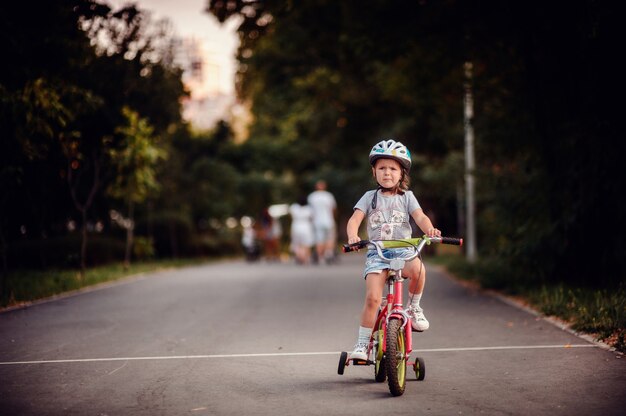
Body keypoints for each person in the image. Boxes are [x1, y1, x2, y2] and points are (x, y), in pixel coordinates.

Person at [346, 139, 442, 360]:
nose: (386, 173)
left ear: (402, 174)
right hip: (377, 254)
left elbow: (420, 216)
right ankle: (362, 345)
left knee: (418, 269)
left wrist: (430, 230)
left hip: (404, 251)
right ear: (374, 172)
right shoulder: (369, 197)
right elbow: (355, 219)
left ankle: (413, 308)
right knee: (372, 299)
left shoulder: (407, 197)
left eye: (392, 168)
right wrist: (353, 235)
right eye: (381, 168)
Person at [307, 180, 337, 264]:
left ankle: (321, 258)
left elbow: (310, 211)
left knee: (319, 240)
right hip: (328, 220)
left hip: (317, 221)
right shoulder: (328, 196)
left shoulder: (312, 197)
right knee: (330, 238)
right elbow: (333, 209)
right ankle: (328, 253)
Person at [289, 196, 315, 264]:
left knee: (297, 244)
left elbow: (291, 216)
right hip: (306, 227)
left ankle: (299, 256)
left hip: (296, 226)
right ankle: (305, 258)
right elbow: (312, 218)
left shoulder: (294, 207)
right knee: (306, 244)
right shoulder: (309, 209)